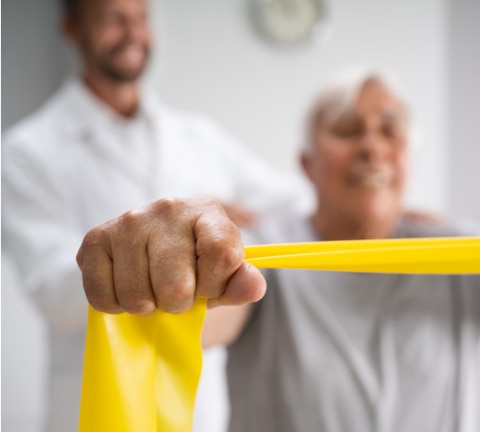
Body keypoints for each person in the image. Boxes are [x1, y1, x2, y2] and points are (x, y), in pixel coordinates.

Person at [75, 72, 480, 432]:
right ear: (308, 164)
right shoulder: (265, 248)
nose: (372, 144)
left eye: (390, 131)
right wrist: (167, 269)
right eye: (348, 129)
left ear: (407, 162)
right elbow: (201, 316)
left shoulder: (464, 253)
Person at [1, 0, 309, 431]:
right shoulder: (27, 151)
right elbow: (51, 290)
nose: (132, 32)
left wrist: (224, 224)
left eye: (141, 18)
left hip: (200, 406)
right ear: (72, 29)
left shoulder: (198, 136)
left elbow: (298, 204)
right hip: (94, 401)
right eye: (113, 18)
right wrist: (161, 248)